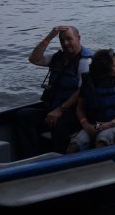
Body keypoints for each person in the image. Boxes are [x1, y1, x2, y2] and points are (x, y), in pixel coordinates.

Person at [16, 25, 94, 157]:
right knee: (24, 116)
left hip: (76, 113)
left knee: (59, 124)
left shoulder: (85, 61)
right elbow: (34, 59)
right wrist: (50, 36)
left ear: (78, 38)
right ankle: (32, 158)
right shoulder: (58, 58)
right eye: (62, 40)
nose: (65, 43)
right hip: (54, 108)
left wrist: (60, 110)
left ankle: (60, 159)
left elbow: (83, 90)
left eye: (69, 39)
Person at [68, 49, 115, 152]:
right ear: (105, 68)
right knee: (76, 143)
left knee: (102, 139)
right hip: (94, 124)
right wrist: (86, 125)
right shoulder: (88, 82)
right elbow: (80, 109)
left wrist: (110, 123)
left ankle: (98, 165)